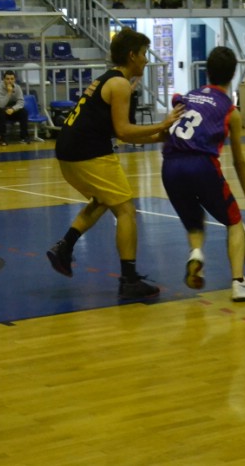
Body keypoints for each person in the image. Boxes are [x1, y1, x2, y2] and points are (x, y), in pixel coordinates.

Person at [45, 27, 184, 301]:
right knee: (126, 210)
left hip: (69, 150)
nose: (146, 59)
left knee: (104, 199)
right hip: (87, 152)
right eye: (143, 53)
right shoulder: (119, 85)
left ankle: (64, 247)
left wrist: (158, 137)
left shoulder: (108, 80)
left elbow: (121, 133)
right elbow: (124, 131)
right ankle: (129, 279)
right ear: (132, 55)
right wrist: (162, 124)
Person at [161, 47, 245, 301]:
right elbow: (239, 161)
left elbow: (167, 127)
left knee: (194, 219)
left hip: (170, 166)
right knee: (234, 221)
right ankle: (239, 283)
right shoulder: (230, 110)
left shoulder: (186, 97)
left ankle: (196, 254)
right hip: (201, 164)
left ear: (207, 71)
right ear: (233, 74)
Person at [0, 70, 28, 145]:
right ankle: (2, 138)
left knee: (24, 112)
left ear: (14, 79)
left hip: (11, 108)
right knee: (0, 113)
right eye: (7, 79)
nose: (10, 81)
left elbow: (21, 102)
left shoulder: (17, 88)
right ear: (3, 79)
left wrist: (13, 109)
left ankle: (24, 137)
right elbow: (1, 105)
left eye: (12, 79)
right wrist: (9, 92)